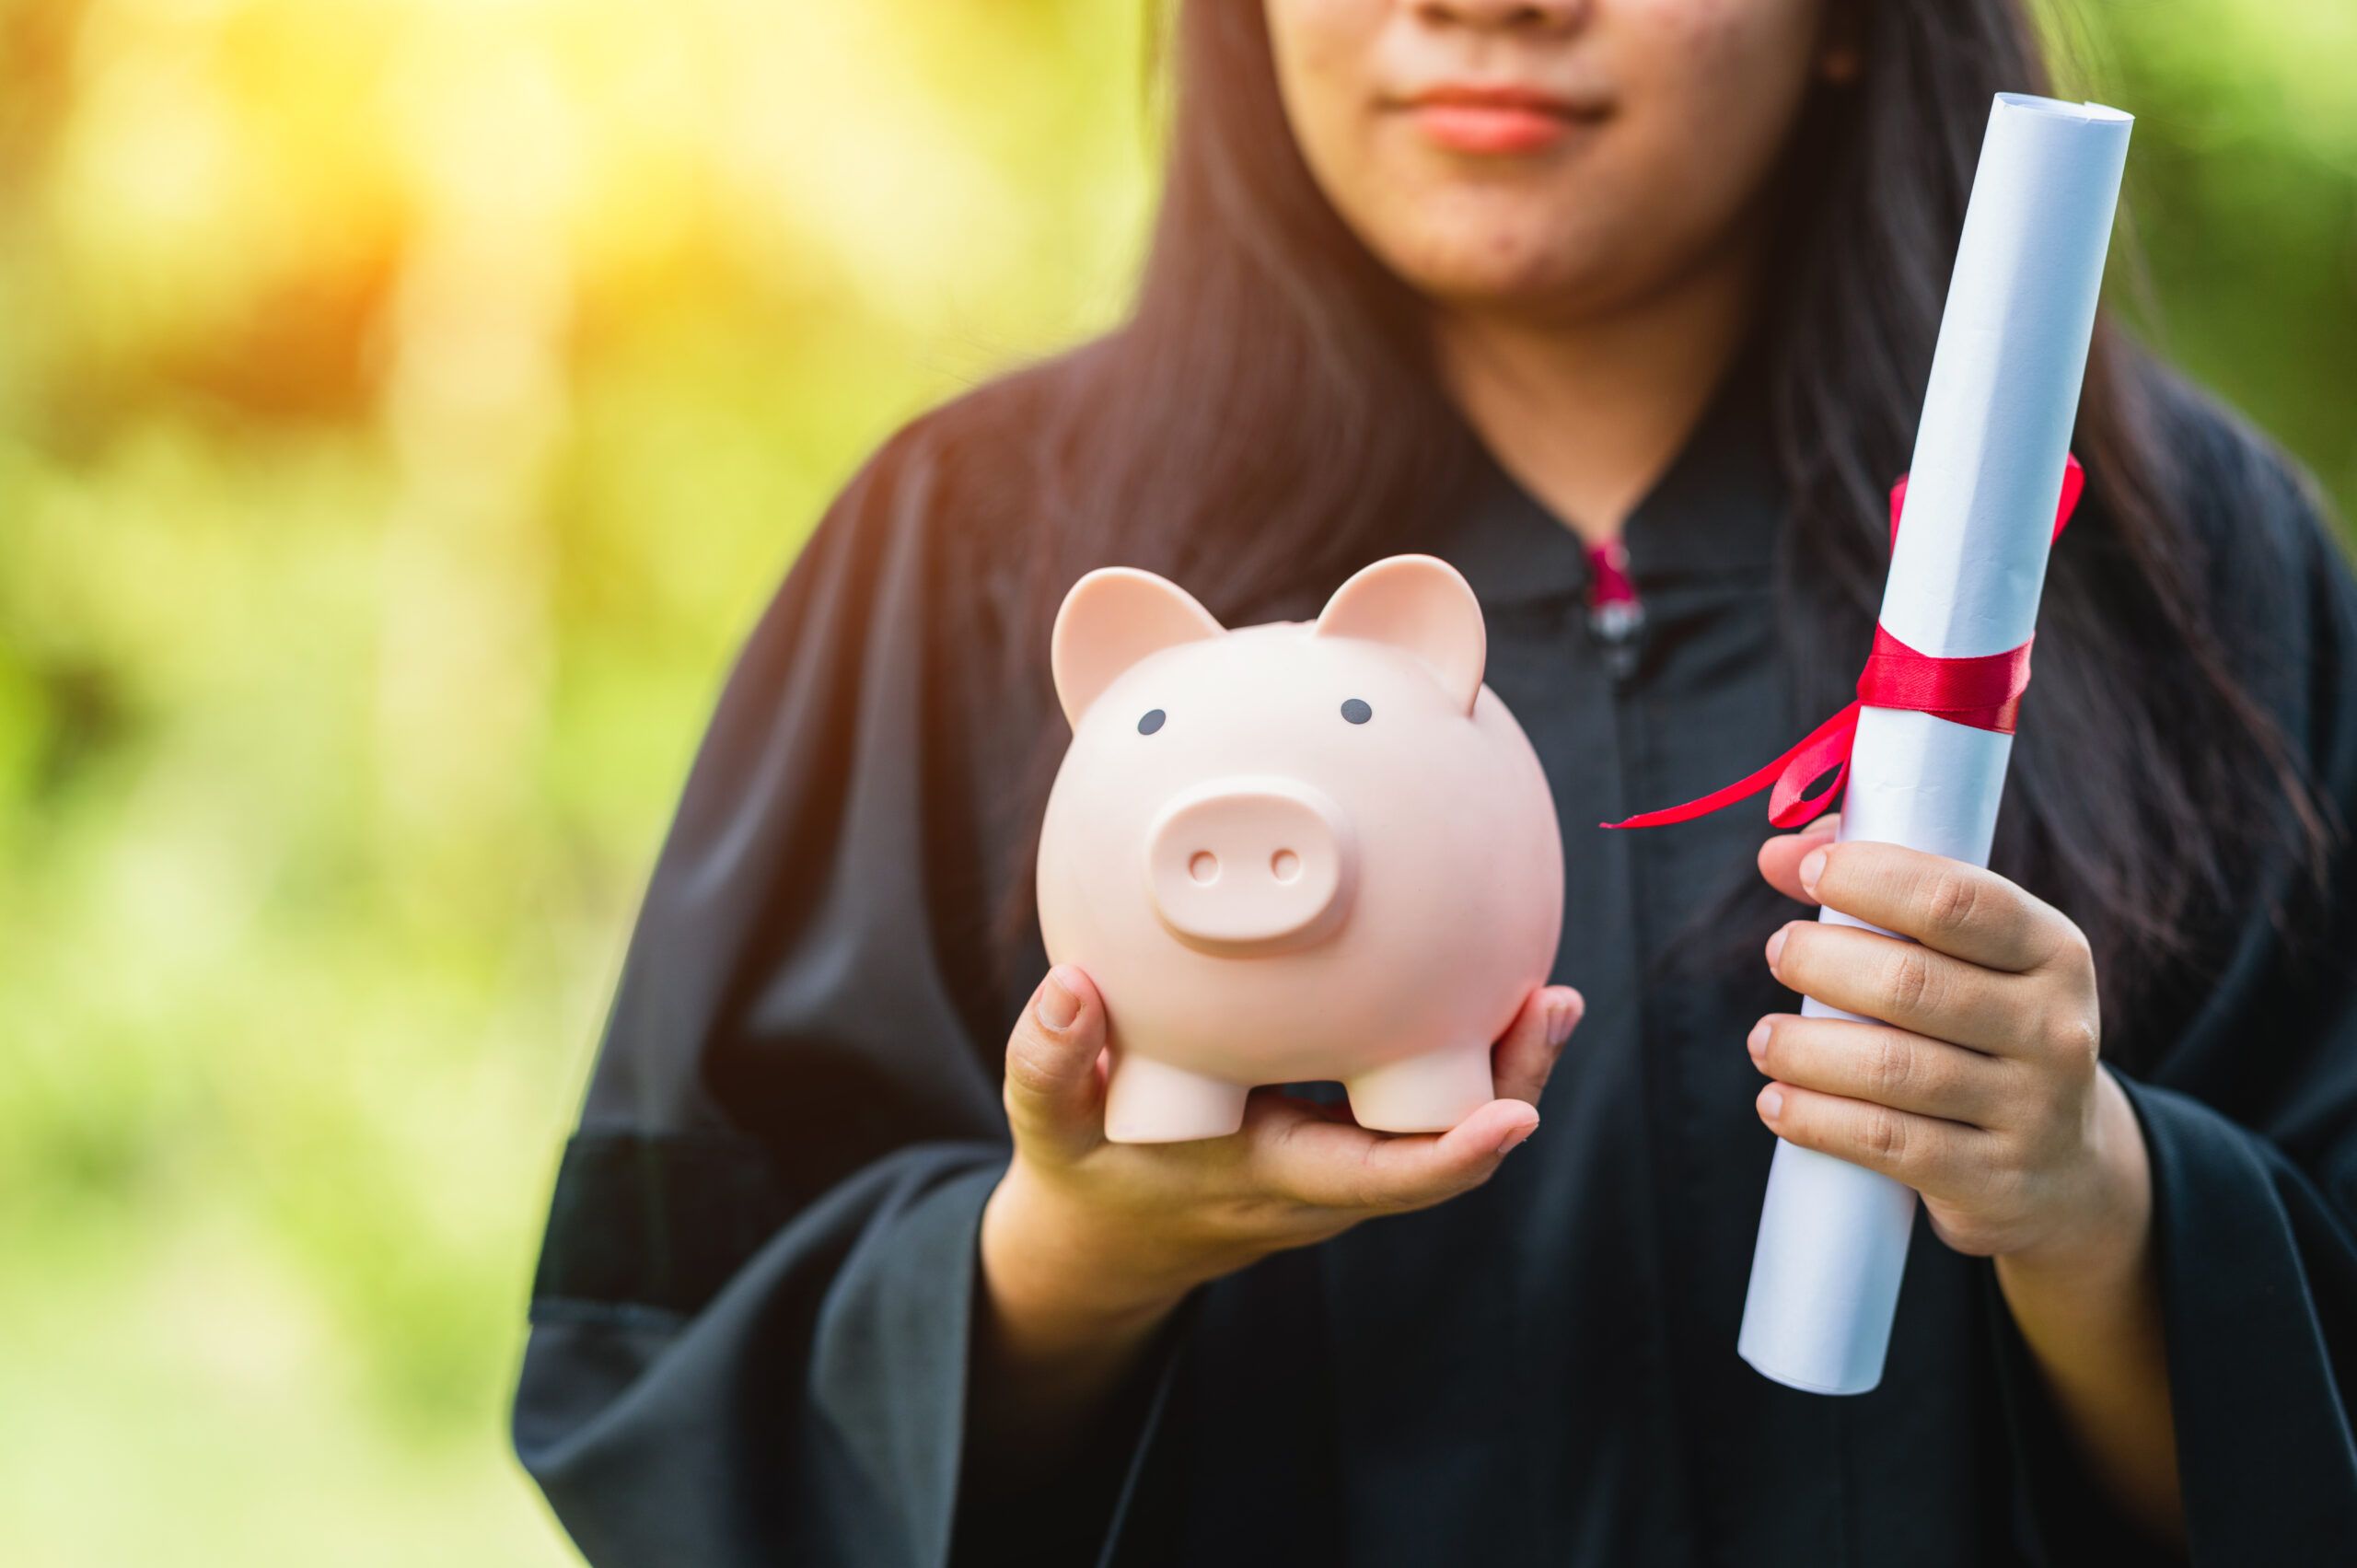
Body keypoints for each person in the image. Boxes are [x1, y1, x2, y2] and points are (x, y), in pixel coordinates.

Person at [511, 3, 2357, 1563]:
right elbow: (666, 1385)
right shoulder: (972, 551)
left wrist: (2097, 1203)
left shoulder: (2183, 568)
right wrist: (1064, 1259)